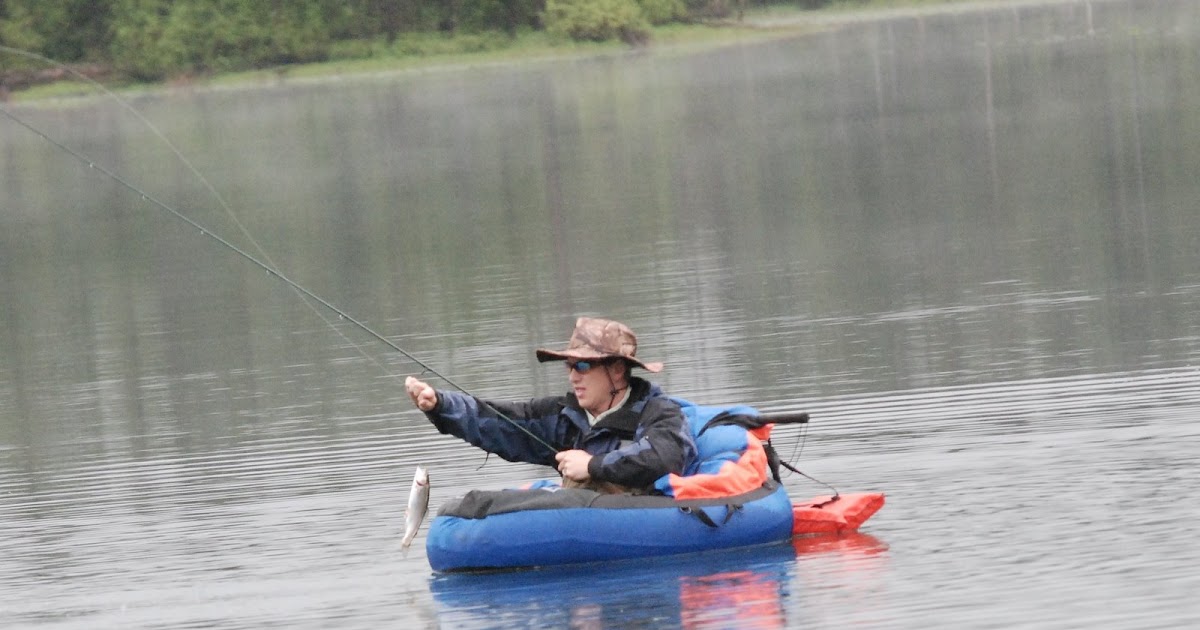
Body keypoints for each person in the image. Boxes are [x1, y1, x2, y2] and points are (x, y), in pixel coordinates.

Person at [404, 317, 697, 494]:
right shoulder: (563, 415)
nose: (573, 376)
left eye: (583, 366)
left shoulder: (659, 412)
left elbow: (664, 457)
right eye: (569, 366)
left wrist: (592, 465)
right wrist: (440, 404)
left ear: (618, 370)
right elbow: (499, 422)